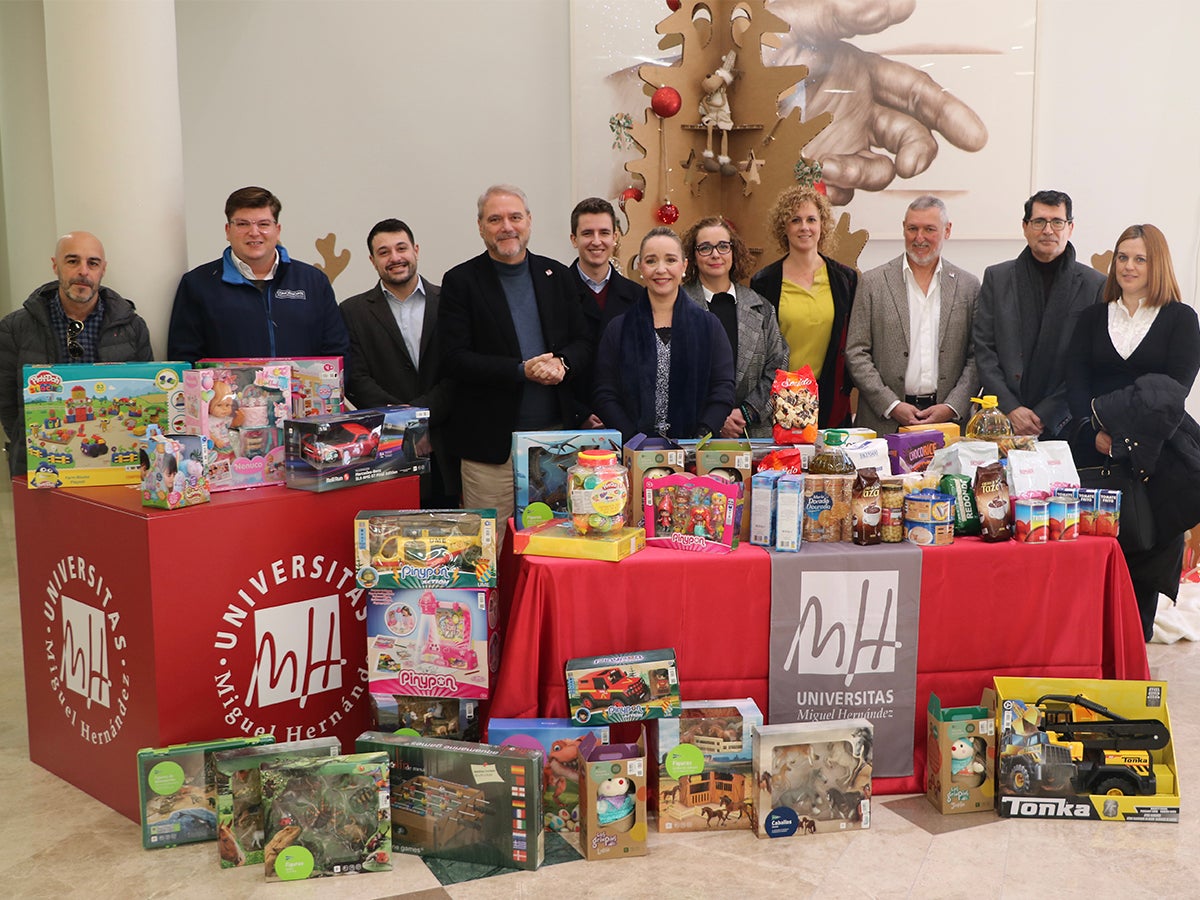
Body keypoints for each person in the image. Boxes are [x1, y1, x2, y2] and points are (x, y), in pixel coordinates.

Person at [1066, 224, 1200, 641]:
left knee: (1148, 555)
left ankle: (1134, 650)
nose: (1128, 266)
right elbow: (1076, 385)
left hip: (1157, 455)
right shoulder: (1092, 318)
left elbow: (1172, 391)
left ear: (1157, 264)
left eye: (1140, 259)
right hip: (1094, 451)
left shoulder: (1180, 319)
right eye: (1123, 257)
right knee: (1090, 558)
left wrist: (1124, 437)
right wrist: (1095, 431)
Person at [438, 184, 592, 523]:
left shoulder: (557, 275)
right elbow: (453, 358)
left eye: (515, 217)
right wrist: (520, 371)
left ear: (529, 221)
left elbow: (583, 342)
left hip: (554, 441)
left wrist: (562, 363)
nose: (507, 227)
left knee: (554, 538)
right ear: (480, 226)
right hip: (490, 449)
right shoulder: (461, 281)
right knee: (490, 542)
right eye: (495, 219)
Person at [0, 231, 153, 476]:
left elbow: (145, 387)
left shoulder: (133, 327)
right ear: (55, 266)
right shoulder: (14, 328)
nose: (83, 271)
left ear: (103, 269)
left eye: (93, 263)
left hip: (116, 471)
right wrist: (25, 439)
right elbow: (6, 401)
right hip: (39, 469)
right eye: (72, 261)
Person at [340, 218, 456, 507]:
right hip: (385, 450)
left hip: (446, 447)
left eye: (401, 248)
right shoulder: (352, 311)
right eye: (384, 252)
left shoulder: (450, 301)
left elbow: (458, 373)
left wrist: (422, 421)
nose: (395, 258)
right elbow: (356, 379)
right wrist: (405, 425)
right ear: (372, 260)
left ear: (416, 250)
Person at [973, 189, 1105, 438]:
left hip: (1065, 422)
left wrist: (1047, 414)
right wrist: (1011, 408)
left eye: (1057, 222)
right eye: (1039, 221)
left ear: (1070, 228)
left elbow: (1090, 361)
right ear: (1025, 227)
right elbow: (984, 350)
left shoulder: (1095, 285)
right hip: (1001, 420)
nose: (1048, 230)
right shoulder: (997, 278)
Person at [167, 186, 350, 363]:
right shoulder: (198, 284)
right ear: (227, 231)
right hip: (225, 387)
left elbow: (337, 351)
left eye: (263, 224)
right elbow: (185, 358)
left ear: (277, 230)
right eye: (242, 224)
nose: (254, 232)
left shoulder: (313, 281)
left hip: (305, 386)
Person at [846, 196, 980, 435]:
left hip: (948, 425)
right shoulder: (873, 283)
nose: (919, 238)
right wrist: (891, 404)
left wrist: (951, 406)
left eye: (929, 229)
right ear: (903, 228)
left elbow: (977, 355)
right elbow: (856, 352)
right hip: (883, 423)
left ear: (947, 230)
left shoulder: (968, 286)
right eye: (912, 229)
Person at [592, 227, 735, 442]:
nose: (661, 269)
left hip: (694, 450)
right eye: (651, 261)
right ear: (641, 267)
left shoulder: (709, 327)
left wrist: (701, 436)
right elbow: (605, 393)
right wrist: (633, 440)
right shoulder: (618, 329)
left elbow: (723, 389)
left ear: (684, 266)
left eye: (670, 260)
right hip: (632, 449)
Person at [750, 184, 857, 428]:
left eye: (811, 219)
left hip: (831, 397)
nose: (804, 227)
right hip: (782, 398)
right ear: (784, 227)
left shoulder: (845, 279)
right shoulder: (764, 282)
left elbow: (853, 342)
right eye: (795, 220)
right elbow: (759, 351)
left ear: (822, 225)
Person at [680, 216, 788, 438]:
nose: (715, 254)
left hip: (752, 432)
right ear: (693, 256)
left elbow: (778, 367)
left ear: (734, 251)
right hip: (694, 432)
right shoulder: (676, 306)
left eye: (723, 246)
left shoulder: (761, 307)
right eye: (705, 248)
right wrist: (715, 417)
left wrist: (747, 412)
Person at [566, 197, 640, 427]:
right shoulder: (555, 291)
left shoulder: (638, 296)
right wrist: (579, 414)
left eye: (604, 233)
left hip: (625, 420)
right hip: (569, 421)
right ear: (574, 239)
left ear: (615, 237)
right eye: (587, 233)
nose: (596, 241)